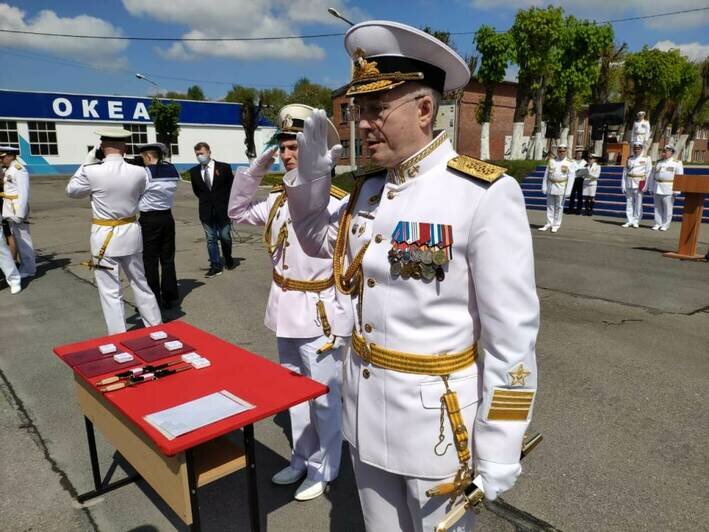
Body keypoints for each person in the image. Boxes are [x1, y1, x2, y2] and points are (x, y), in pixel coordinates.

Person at [282, 21, 539, 531]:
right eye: (360, 111)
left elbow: (513, 338)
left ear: (425, 109)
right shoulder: (368, 191)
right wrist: (311, 178)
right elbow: (315, 243)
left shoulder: (481, 193)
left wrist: (502, 443)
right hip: (363, 413)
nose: (364, 124)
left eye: (377, 109)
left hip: (437, 429)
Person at [229, 104, 352, 501]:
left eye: (294, 147)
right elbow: (236, 212)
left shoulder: (336, 202)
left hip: (319, 314)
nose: (285, 154)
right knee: (293, 395)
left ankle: (324, 467)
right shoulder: (278, 201)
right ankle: (301, 457)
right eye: (281, 146)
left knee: (323, 399)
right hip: (285, 308)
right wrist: (255, 169)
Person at [67, 129, 162, 334]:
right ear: (125, 148)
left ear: (102, 148)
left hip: (104, 236)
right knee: (140, 282)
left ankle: (118, 335)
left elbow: (72, 191)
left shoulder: (92, 171)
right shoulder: (139, 172)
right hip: (130, 231)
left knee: (110, 290)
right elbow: (144, 190)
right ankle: (155, 327)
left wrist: (86, 162)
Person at [137, 143, 180, 309]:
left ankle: (152, 299)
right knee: (168, 259)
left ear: (148, 156)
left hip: (149, 219)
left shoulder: (144, 173)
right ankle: (170, 297)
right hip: (167, 217)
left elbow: (136, 193)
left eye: (143, 157)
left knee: (150, 260)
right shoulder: (172, 170)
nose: (142, 161)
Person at [189, 142, 235, 277]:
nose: (199, 156)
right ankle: (215, 265)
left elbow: (231, 187)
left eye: (201, 153)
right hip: (206, 211)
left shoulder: (224, 167)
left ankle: (228, 258)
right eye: (197, 154)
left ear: (209, 152)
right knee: (211, 239)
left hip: (223, 209)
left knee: (225, 237)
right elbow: (197, 191)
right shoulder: (194, 172)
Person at [1, 146, 36, 278]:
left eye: (3, 157)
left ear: (11, 156)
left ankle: (29, 269)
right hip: (11, 210)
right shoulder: (10, 169)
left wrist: (20, 214)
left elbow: (23, 193)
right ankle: (25, 266)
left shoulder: (19, 170)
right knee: (18, 239)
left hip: (17, 211)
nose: (1, 160)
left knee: (24, 241)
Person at [645, 144, 683, 231]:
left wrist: (677, 190)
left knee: (668, 208)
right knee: (657, 207)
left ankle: (665, 224)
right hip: (657, 187)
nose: (663, 153)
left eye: (665, 151)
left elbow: (679, 177)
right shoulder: (658, 162)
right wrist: (651, 187)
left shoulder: (677, 163)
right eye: (663, 151)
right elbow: (652, 176)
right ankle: (658, 223)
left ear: (671, 152)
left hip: (669, 188)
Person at [540, 144, 575, 232]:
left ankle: (556, 224)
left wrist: (568, 190)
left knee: (559, 206)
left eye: (563, 151)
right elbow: (546, 175)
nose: (561, 153)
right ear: (557, 152)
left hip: (561, 187)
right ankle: (549, 223)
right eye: (560, 151)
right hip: (551, 186)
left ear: (566, 152)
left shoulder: (569, 163)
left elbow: (571, 177)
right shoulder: (552, 161)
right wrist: (544, 186)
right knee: (550, 206)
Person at [621, 143, 651, 228]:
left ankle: (636, 220)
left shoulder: (646, 158)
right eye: (635, 148)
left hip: (639, 183)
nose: (636, 150)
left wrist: (646, 184)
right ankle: (629, 220)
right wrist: (623, 184)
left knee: (638, 203)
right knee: (629, 203)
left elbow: (648, 173)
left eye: (638, 148)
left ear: (641, 149)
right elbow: (625, 172)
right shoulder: (630, 158)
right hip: (629, 182)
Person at [566, 148, 587, 215]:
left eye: (580, 153)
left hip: (580, 179)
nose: (579, 155)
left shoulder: (584, 162)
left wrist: (581, 172)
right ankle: (570, 209)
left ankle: (578, 210)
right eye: (578, 153)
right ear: (576, 154)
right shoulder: (572, 161)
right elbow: (570, 169)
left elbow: (585, 170)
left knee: (579, 195)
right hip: (573, 179)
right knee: (572, 195)